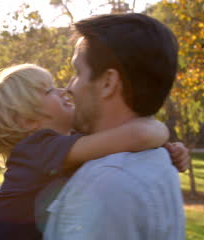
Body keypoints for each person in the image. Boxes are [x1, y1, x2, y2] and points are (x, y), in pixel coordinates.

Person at [0, 63, 188, 240]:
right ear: (28, 120)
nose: (63, 90)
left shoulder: (67, 144)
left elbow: (125, 140)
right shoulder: (34, 150)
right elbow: (139, 135)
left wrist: (169, 149)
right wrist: (162, 133)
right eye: (48, 91)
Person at [44, 13, 186, 239]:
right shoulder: (157, 158)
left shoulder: (106, 186)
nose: (70, 86)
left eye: (78, 72)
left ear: (108, 83)